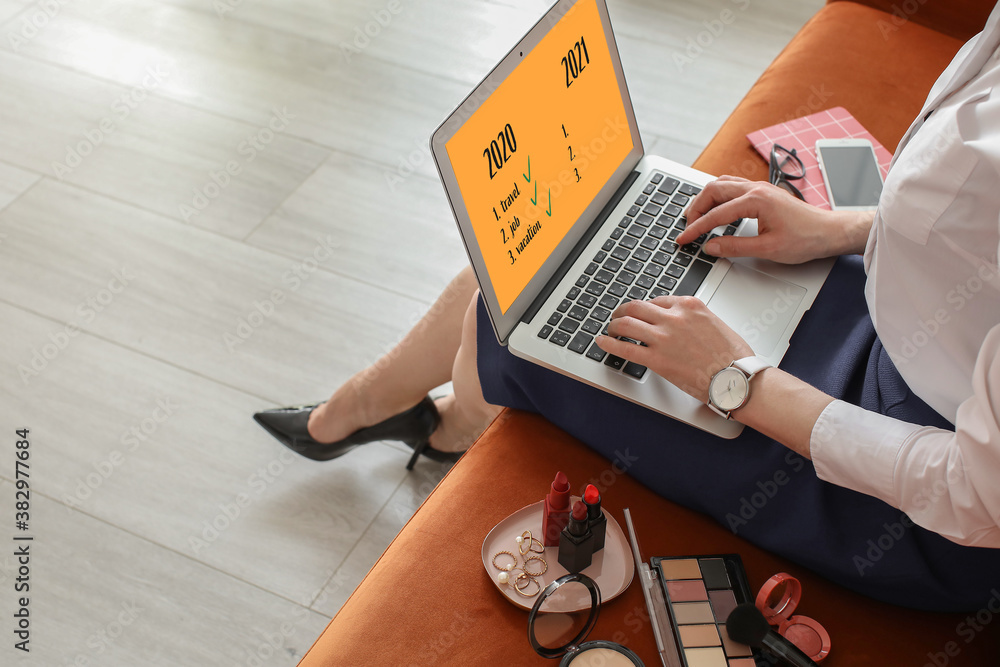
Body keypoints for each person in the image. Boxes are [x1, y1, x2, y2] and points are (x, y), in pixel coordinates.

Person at [255, 5, 1000, 611]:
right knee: (574, 243)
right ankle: (399, 411)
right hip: (897, 326)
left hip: (906, 493)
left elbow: (975, 493)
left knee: (513, 312)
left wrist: (733, 380)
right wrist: (836, 228)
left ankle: (409, 416)